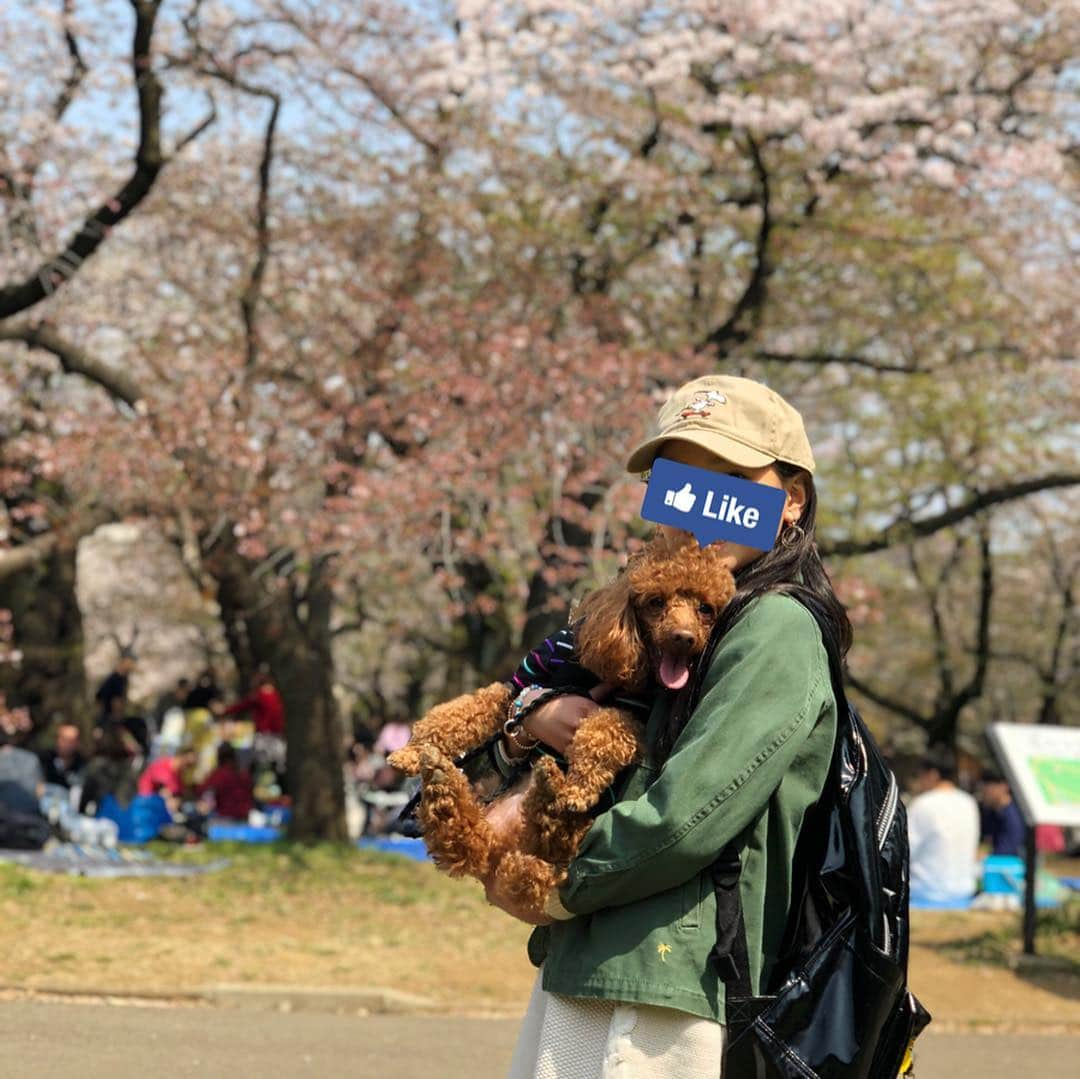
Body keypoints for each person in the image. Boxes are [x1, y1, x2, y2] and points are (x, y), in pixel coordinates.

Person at [482, 375, 846, 1078]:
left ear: (790, 499)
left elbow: (688, 814)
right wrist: (531, 722)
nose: (703, 508)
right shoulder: (671, 617)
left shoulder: (775, 624)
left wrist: (554, 881)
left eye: (734, 480)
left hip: (666, 983)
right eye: (680, 481)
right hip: (606, 959)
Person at [907, 747, 980, 904]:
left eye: (920, 775)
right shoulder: (969, 802)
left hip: (926, 893)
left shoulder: (922, 804)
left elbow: (904, 850)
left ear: (933, 774)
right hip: (964, 892)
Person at [196, 742, 254, 821]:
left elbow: (202, 790)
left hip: (226, 819)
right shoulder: (243, 774)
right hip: (245, 817)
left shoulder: (220, 774)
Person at [979, 769, 1026, 857]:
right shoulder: (990, 812)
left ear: (1004, 786)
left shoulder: (1013, 816)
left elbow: (1007, 850)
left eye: (989, 787)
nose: (984, 792)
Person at [94, 649, 136, 729]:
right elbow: (115, 700)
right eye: (130, 662)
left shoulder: (123, 678)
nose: (132, 665)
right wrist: (116, 715)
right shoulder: (115, 678)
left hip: (109, 717)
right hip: (108, 718)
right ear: (124, 661)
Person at [39, 722, 86, 791]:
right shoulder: (43, 759)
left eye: (71, 741)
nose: (67, 744)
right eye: (64, 739)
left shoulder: (83, 766)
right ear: (57, 739)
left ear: (78, 743)